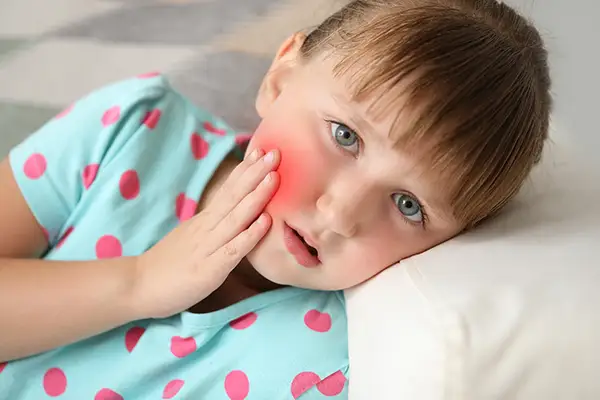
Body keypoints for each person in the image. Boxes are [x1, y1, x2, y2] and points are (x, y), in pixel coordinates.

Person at [0, 0, 551, 398]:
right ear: (281, 80)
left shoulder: (324, 368)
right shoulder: (130, 131)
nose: (338, 214)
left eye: (408, 205)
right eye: (345, 136)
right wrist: (141, 282)